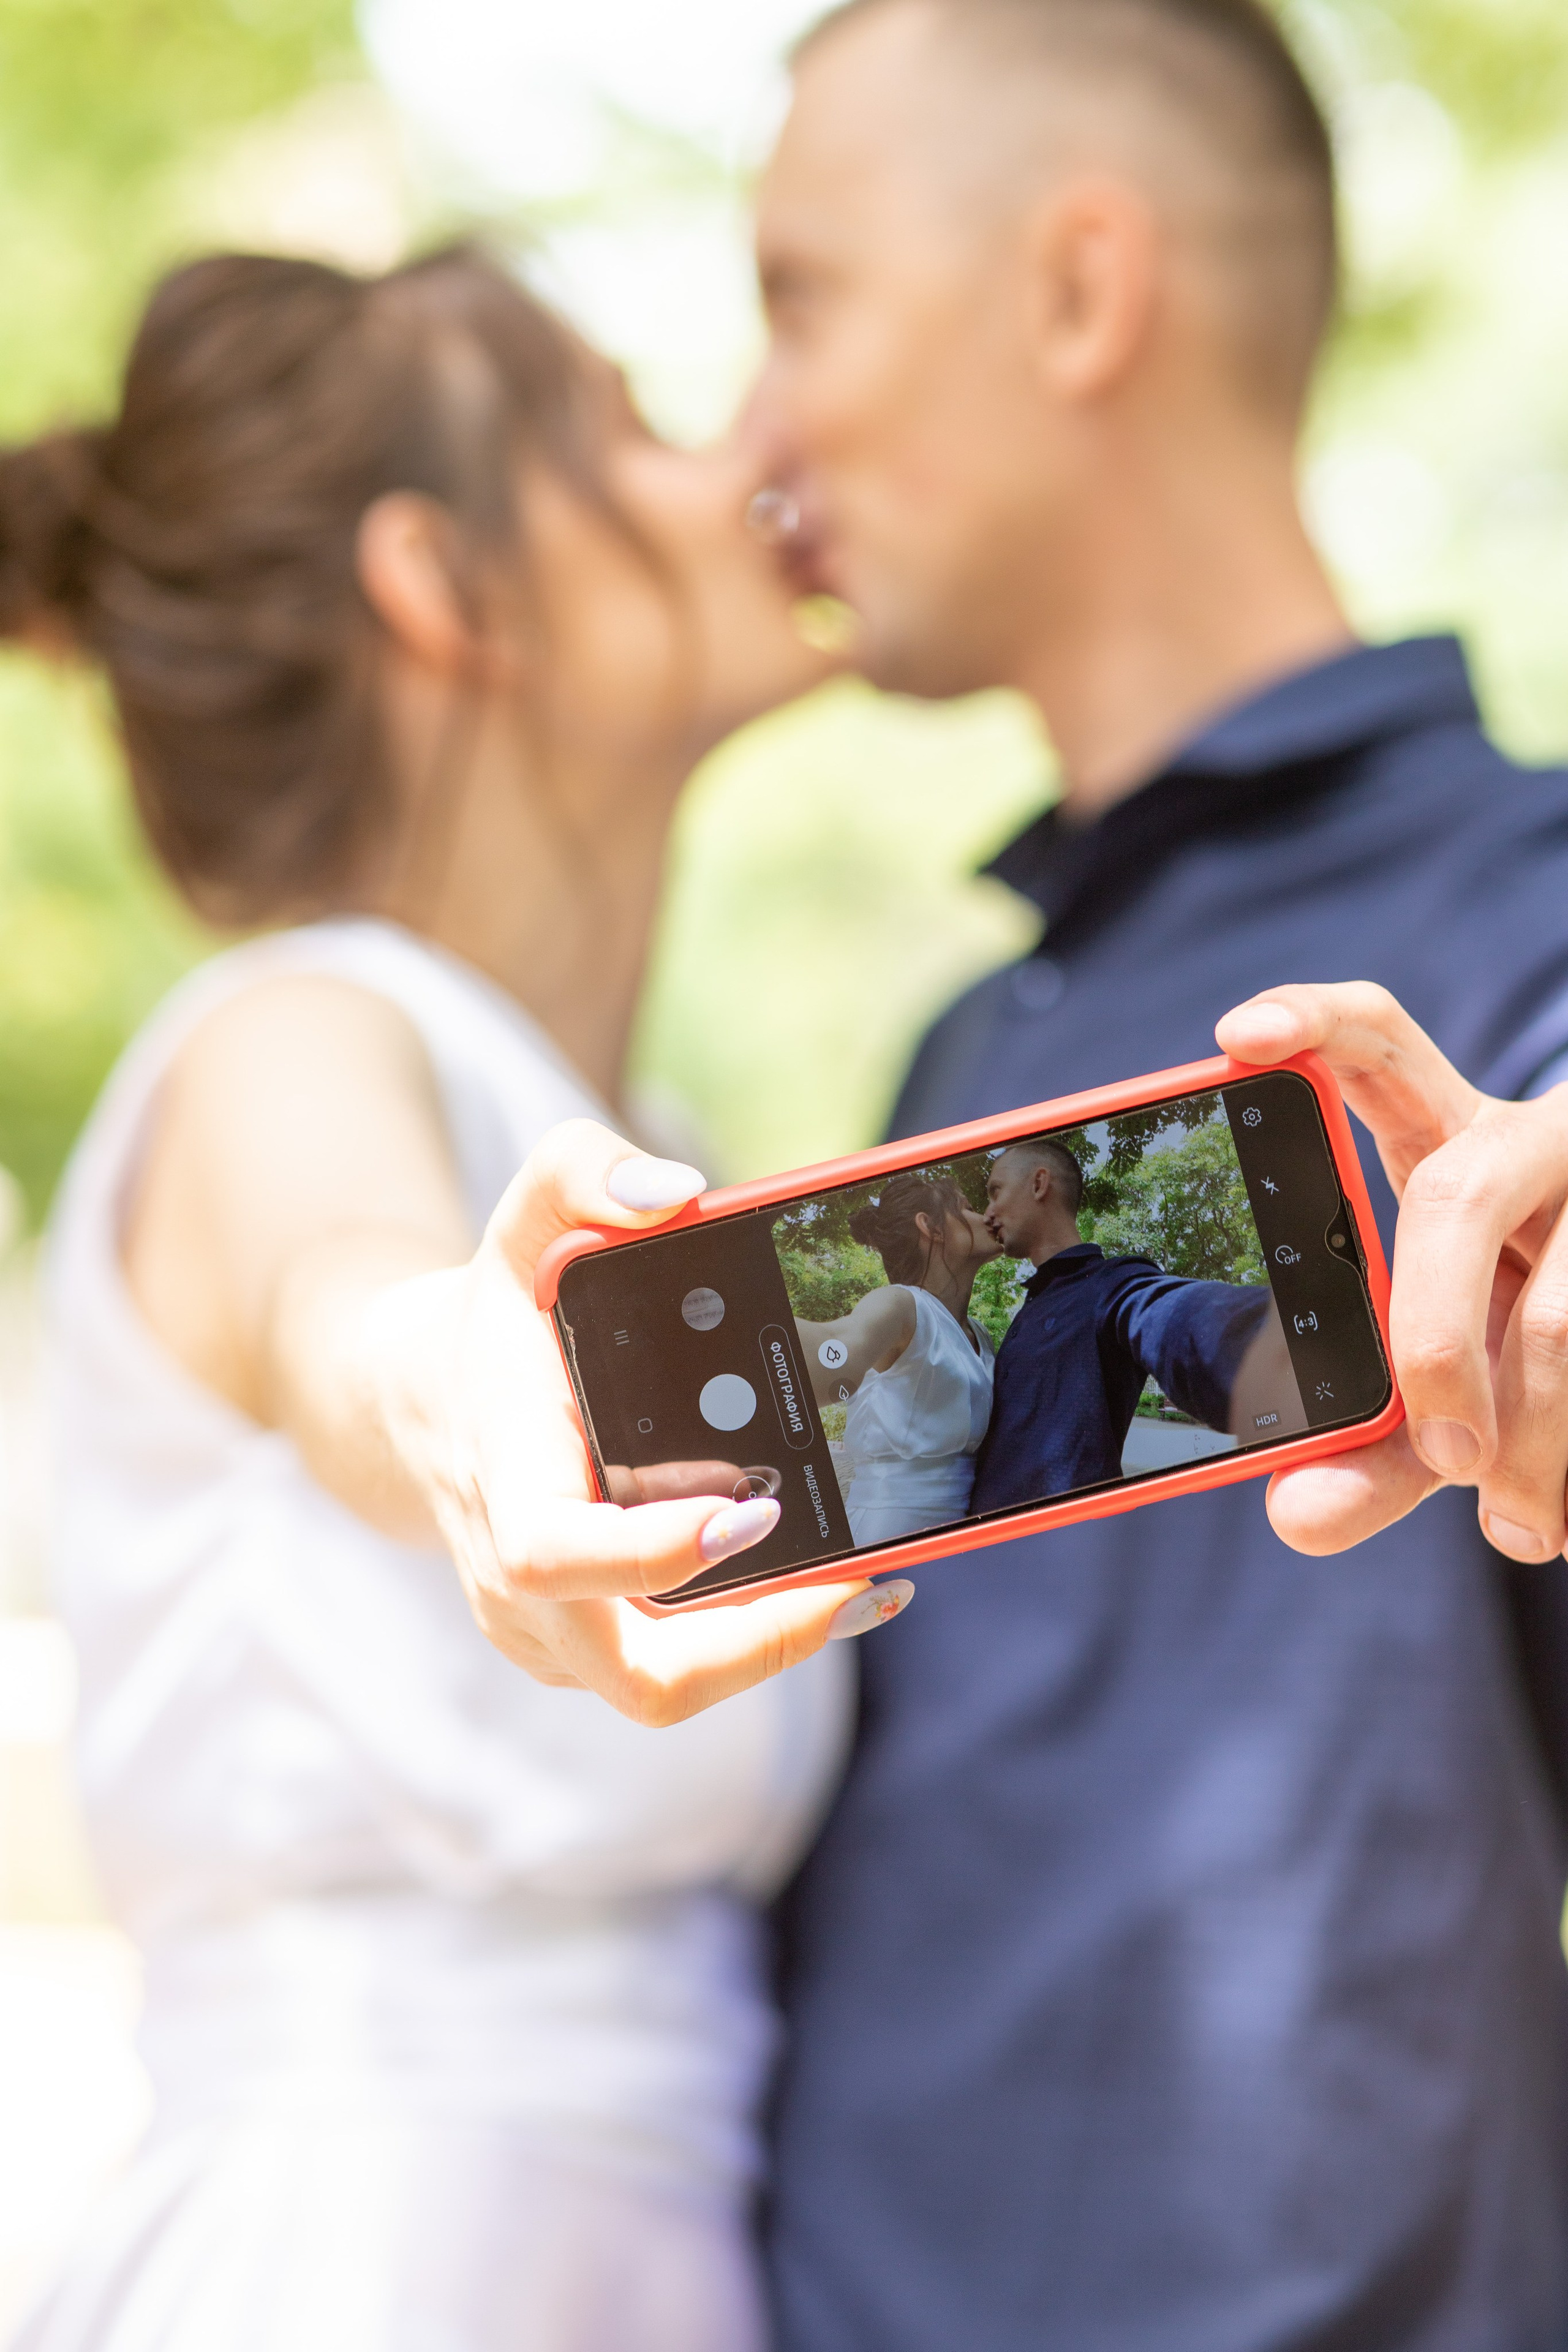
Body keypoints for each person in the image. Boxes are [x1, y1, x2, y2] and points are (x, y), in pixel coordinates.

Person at [730, 2, 1568, 2344]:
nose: (750, 438)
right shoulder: (957, 1045)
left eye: (799, 298)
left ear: (1078, 294)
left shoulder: (1526, 933)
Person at [0, 244, 884, 2352]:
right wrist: (471, 1398)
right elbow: (353, 1304)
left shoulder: (629, 1131)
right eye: (630, 430)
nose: (746, 447)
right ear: (442, 588)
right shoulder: (285, 1039)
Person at [972, 1136, 1291, 1509]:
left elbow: (1179, 1319)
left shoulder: (1113, 1285)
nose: (988, 1213)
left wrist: (1285, 1346)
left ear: (1039, 1184)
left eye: (995, 1192)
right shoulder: (1030, 1306)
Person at [795, 1172, 1000, 1542]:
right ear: (931, 1227)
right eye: (968, 1209)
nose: (985, 1216)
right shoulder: (899, 1305)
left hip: (958, 1539)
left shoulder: (979, 1333)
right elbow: (837, 1345)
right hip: (890, 1535)